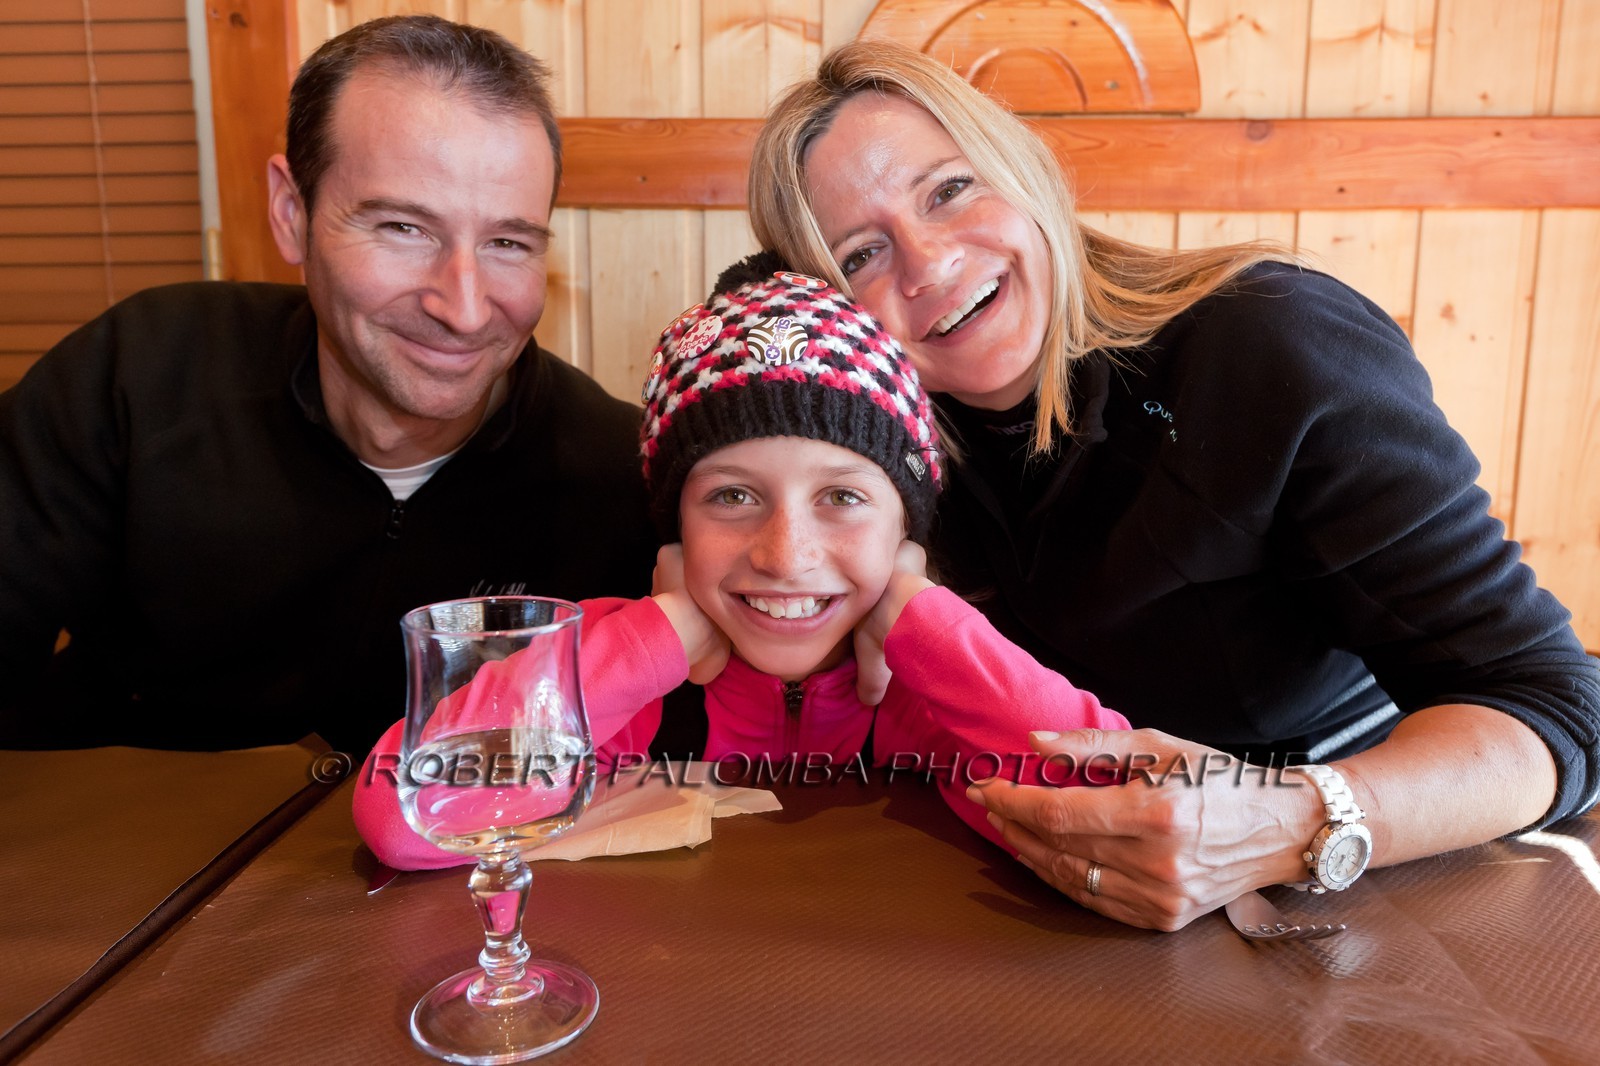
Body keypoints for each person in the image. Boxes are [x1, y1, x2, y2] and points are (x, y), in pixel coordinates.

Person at [742, 39, 1600, 930]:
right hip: (1043, 889)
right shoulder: (863, 437)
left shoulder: (1273, 345)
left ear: (1025, 170)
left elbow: (1558, 704)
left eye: (949, 190)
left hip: (1348, 852)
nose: (927, 264)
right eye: (861, 255)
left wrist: (1295, 821)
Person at [0, 16, 656, 754]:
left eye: (507, 242)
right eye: (403, 228)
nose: (465, 308)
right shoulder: (141, 375)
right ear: (292, 214)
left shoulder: (622, 475)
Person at [351, 256, 1132, 870]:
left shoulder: (921, 690)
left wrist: (918, 616)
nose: (785, 555)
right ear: (676, 525)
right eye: (732, 496)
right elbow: (406, 813)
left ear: (906, 530)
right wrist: (660, 638)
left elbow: (1115, 801)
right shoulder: (624, 678)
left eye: (842, 498)